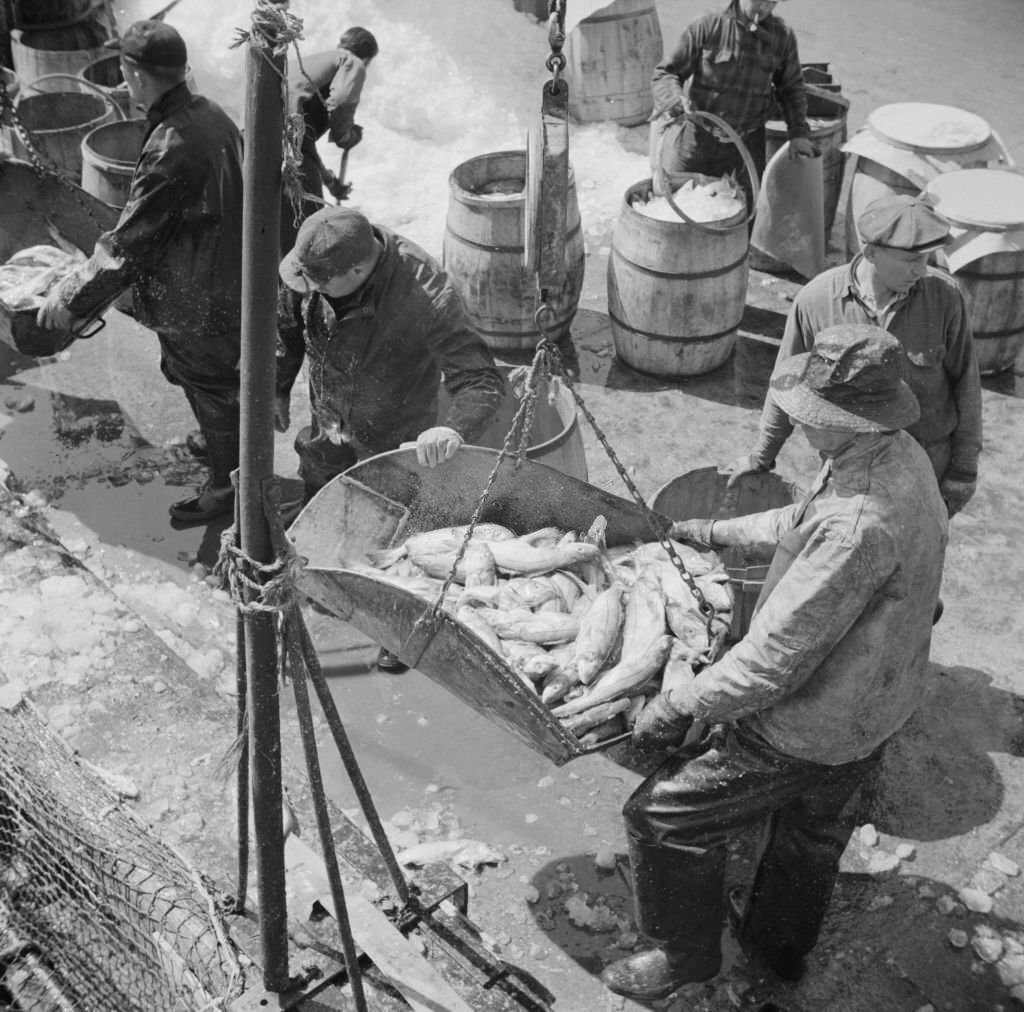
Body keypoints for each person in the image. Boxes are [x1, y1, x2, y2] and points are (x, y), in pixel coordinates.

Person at [600, 324, 948, 1002]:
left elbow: (769, 666)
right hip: (877, 706)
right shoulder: (895, 454)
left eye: (816, 417)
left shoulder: (861, 524)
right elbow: (802, 521)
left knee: (663, 818)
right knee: (811, 835)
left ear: (849, 422)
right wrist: (710, 533)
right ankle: (779, 951)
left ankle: (685, 960)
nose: (804, 426)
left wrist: (678, 701)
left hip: (813, 723)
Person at [277, 205, 506, 670]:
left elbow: (481, 379)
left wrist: (451, 428)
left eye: (323, 284)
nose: (311, 290)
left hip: (396, 435)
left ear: (359, 270)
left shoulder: (427, 295)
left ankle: (400, 625)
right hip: (329, 421)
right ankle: (321, 576)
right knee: (321, 498)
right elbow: (288, 327)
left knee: (400, 541)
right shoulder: (311, 272)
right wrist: (276, 387)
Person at [37, 19, 244, 527]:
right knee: (208, 384)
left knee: (211, 386)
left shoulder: (171, 145)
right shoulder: (211, 114)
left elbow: (129, 246)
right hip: (226, 273)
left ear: (135, 74)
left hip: (200, 293)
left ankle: (226, 489)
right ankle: (224, 450)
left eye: (126, 70)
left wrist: (73, 298)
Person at [724, 193, 983, 518]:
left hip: (927, 462)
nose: (921, 270)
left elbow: (967, 385)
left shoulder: (946, 297)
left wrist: (963, 470)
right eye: (910, 260)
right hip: (846, 470)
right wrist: (760, 457)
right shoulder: (816, 301)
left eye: (927, 257)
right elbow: (786, 385)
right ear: (871, 251)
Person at [649, 0, 815, 210]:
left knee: (745, 214)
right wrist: (674, 99)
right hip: (697, 140)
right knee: (678, 207)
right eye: (758, 0)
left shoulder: (782, 37)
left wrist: (798, 133)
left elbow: (791, 89)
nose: (763, 8)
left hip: (747, 145)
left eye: (771, 2)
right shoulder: (708, 25)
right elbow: (667, 72)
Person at [281, 26, 378, 254]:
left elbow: (302, 144)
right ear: (367, 57)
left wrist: (329, 180)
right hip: (288, 143)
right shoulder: (352, 61)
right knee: (312, 230)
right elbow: (342, 100)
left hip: (261, 138)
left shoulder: (315, 62)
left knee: (279, 225)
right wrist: (345, 136)